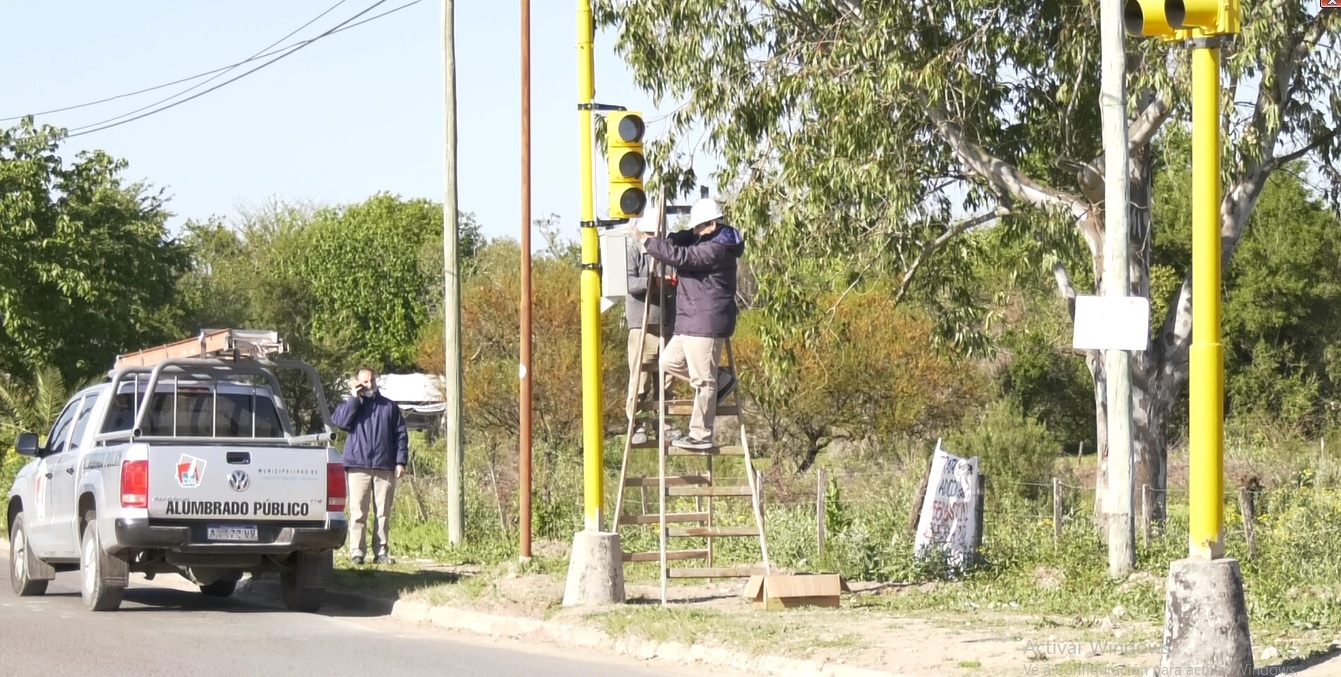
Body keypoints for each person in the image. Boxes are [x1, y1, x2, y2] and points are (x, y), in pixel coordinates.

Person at [626, 197, 742, 450]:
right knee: (667, 362)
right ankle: (721, 380)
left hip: (706, 321)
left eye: (700, 227)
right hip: (690, 320)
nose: (696, 232)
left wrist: (646, 241)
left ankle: (701, 434)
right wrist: (666, 240)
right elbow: (683, 238)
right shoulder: (707, 237)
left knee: (703, 382)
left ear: (712, 224)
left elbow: (683, 257)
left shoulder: (717, 248)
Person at [331, 366, 408, 565]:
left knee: (383, 513)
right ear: (358, 383)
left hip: (384, 466)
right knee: (358, 512)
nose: (369, 384)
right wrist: (354, 399)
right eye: (364, 382)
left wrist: (400, 461)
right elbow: (339, 422)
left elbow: (400, 435)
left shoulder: (389, 407)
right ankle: (357, 552)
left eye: (372, 380)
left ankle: (381, 552)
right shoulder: (353, 405)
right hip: (357, 466)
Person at [625, 207, 678, 445]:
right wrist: (653, 282)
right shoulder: (634, 251)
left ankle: (664, 424)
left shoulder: (667, 252)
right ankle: (638, 424)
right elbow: (630, 282)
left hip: (666, 324)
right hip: (642, 325)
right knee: (642, 377)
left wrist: (670, 282)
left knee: (666, 378)